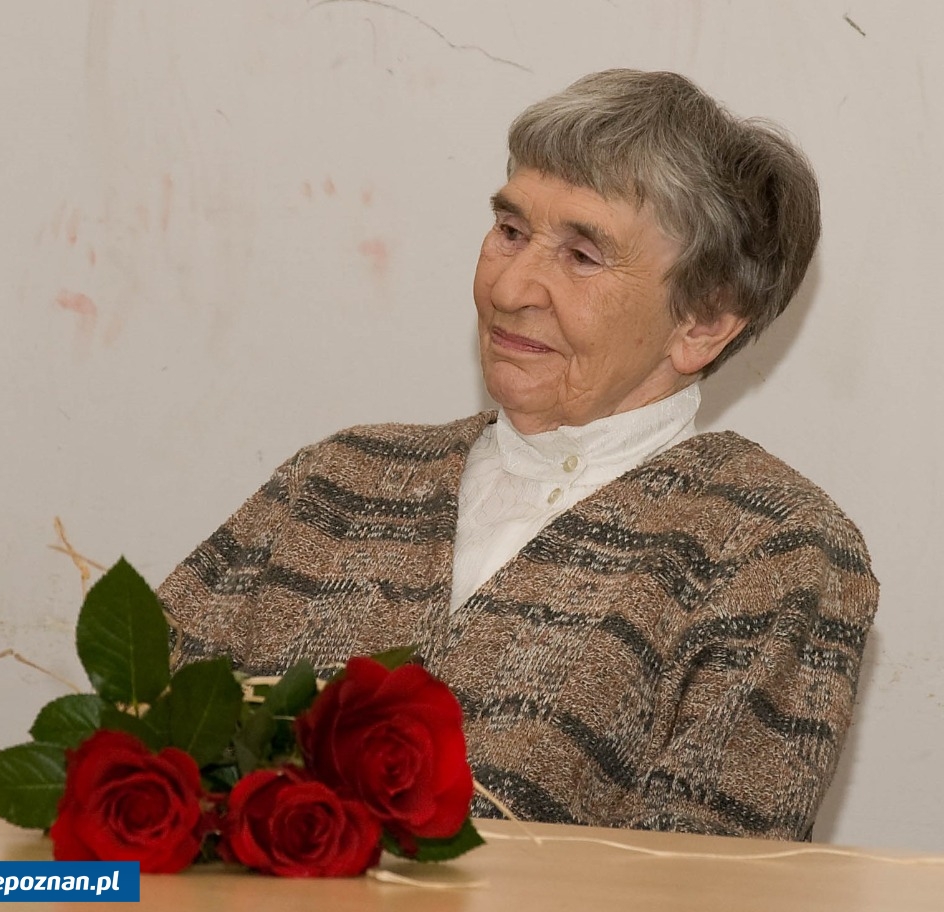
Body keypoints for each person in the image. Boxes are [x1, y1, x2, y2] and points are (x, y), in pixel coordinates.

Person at [158, 70, 878, 841]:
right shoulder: (337, 482)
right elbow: (123, 764)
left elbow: (705, 879)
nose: (509, 289)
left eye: (582, 255)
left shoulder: (771, 551)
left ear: (702, 323)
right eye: (510, 230)